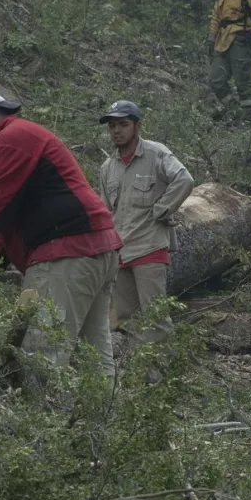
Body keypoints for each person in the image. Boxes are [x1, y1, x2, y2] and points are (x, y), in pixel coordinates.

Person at [0, 88, 122, 377]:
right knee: (97, 356)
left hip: (67, 252)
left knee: (42, 356)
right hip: (98, 248)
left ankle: (42, 422)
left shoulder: (11, 139)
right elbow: (7, 218)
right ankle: (104, 419)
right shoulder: (24, 137)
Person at [97, 101, 193, 338]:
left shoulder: (156, 153)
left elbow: (184, 179)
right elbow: (105, 211)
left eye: (123, 124)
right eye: (112, 126)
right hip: (121, 250)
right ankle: (140, 373)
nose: (117, 131)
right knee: (125, 318)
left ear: (137, 126)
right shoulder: (108, 167)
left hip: (149, 247)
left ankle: (163, 372)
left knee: (156, 317)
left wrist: (163, 209)